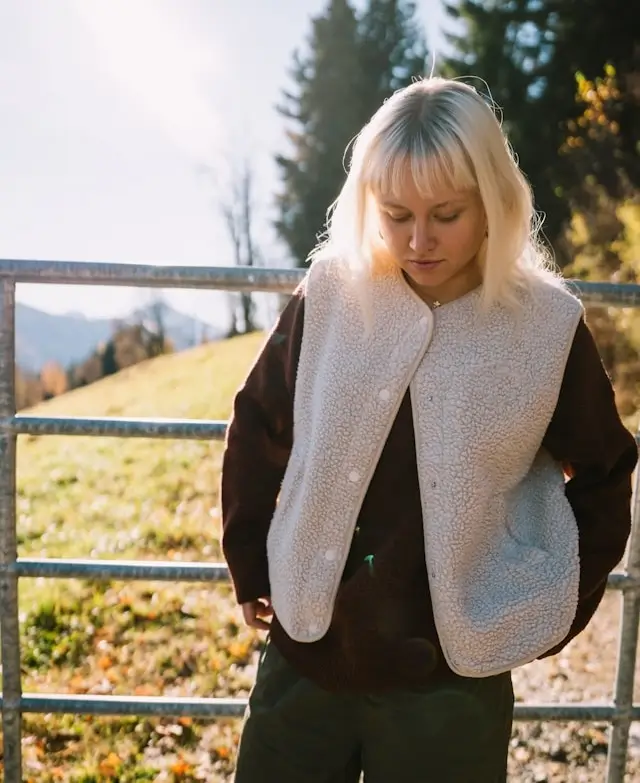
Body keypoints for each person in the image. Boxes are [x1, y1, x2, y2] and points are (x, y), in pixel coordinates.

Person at [220, 77, 638, 783]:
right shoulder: (328, 295)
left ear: (492, 203)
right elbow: (258, 420)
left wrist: (549, 603)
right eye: (395, 214)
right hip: (307, 657)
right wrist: (250, 562)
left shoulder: (545, 327)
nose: (419, 240)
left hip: (451, 685)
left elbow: (605, 471)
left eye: (445, 213)